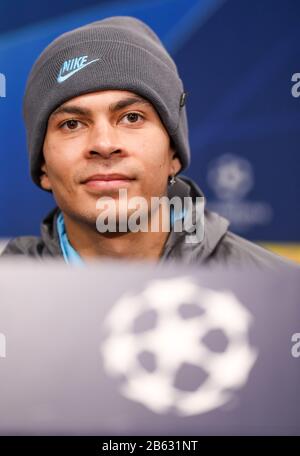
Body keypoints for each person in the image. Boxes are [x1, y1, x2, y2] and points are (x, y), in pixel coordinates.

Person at [0, 16, 294, 269]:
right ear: (42, 167)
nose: (104, 144)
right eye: (72, 124)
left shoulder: (280, 294)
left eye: (131, 118)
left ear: (174, 153)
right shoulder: (8, 295)